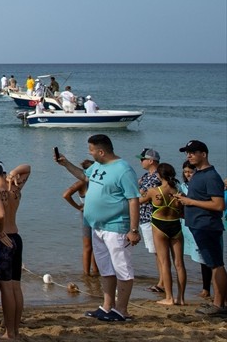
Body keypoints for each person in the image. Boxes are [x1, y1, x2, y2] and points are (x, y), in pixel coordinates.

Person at [55, 134, 139, 322]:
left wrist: (133, 230)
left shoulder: (123, 169)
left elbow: (133, 199)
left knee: (122, 268)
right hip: (97, 226)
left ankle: (122, 310)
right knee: (106, 268)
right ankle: (107, 306)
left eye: (91, 150)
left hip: (116, 226)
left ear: (101, 151)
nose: (89, 152)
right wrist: (65, 163)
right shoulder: (98, 165)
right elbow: (84, 176)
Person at [176, 140, 226, 316]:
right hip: (198, 225)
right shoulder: (198, 174)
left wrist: (190, 202)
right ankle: (217, 303)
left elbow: (219, 205)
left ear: (203, 154)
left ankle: (219, 305)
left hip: (207, 226)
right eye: (187, 152)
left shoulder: (211, 176)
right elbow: (200, 199)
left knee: (216, 265)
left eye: (192, 152)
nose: (188, 155)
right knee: (212, 264)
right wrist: (184, 202)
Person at [0, 158, 30, 340]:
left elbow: (0, 214)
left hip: (3, 241)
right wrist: (13, 173)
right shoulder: (14, 188)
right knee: (16, 287)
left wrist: (0, 232)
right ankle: (15, 331)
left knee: (6, 289)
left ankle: (9, 333)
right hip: (16, 238)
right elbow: (27, 168)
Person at [142, 162, 186, 305]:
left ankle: (169, 297)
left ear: (159, 175)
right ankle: (181, 298)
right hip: (175, 226)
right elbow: (183, 212)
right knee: (179, 264)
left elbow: (139, 201)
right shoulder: (178, 192)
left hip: (159, 226)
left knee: (164, 263)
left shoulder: (154, 191)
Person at [61, 160, 99, 277]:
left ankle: (95, 272)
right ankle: (86, 274)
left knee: (96, 246)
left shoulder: (98, 182)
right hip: (88, 216)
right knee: (89, 247)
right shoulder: (82, 182)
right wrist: (78, 207)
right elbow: (66, 194)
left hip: (98, 216)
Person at [137, 149, 163, 292]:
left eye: (142, 159)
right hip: (145, 218)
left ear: (151, 161)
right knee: (156, 252)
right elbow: (139, 190)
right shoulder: (147, 176)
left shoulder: (157, 177)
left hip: (152, 217)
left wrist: (139, 196)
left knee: (159, 252)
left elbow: (146, 196)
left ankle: (162, 283)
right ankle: (161, 281)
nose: (141, 162)